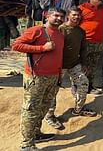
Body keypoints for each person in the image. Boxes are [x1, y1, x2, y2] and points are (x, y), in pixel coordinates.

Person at [12, 8, 65, 151]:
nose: (59, 18)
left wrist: (59, 76)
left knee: (44, 107)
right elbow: (16, 45)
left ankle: (36, 133)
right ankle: (26, 145)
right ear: (47, 16)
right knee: (31, 110)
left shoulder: (60, 35)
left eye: (61, 16)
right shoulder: (37, 30)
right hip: (36, 77)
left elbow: (58, 57)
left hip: (53, 77)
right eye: (56, 15)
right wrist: (42, 48)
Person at [44, 6, 98, 131]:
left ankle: (78, 109)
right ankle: (49, 116)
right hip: (59, 65)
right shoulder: (60, 29)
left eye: (78, 15)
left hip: (74, 64)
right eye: (74, 15)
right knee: (53, 90)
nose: (76, 17)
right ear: (68, 16)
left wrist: (84, 64)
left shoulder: (80, 31)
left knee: (84, 83)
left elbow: (83, 48)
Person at [79, 0, 103, 94]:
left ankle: (90, 87)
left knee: (93, 66)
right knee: (83, 65)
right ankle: (79, 87)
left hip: (98, 42)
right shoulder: (81, 8)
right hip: (85, 42)